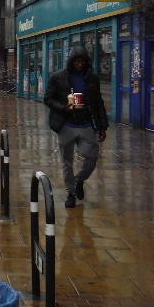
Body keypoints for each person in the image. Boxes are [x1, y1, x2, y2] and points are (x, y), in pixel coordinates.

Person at [43, 47, 108, 208]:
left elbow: (98, 103)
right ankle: (70, 193)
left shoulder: (92, 79)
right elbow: (48, 99)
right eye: (76, 62)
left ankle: (80, 179)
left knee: (91, 156)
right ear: (71, 62)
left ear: (87, 63)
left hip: (86, 124)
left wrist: (102, 127)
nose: (79, 64)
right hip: (66, 125)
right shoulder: (58, 77)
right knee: (67, 162)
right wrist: (64, 107)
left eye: (82, 62)